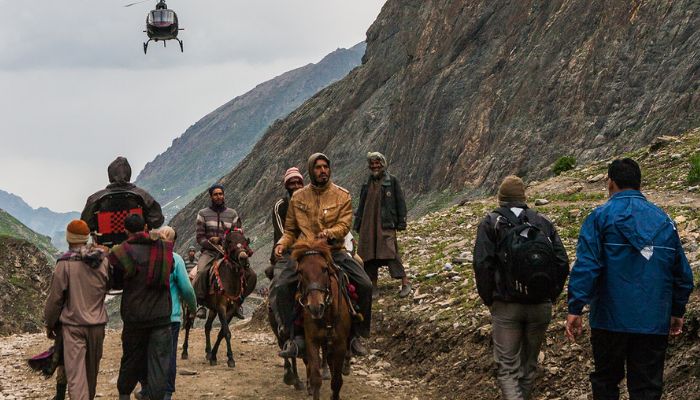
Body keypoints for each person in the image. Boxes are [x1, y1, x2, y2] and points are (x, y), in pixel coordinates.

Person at [566, 158, 694, 399]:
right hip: (653, 320)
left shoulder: (599, 218)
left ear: (610, 183)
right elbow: (682, 274)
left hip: (609, 320)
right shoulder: (664, 221)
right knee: (646, 387)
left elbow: (588, 265)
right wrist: (677, 310)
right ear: (639, 184)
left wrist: (575, 307)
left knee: (606, 381)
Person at [473, 175, 570, 400]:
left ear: (500, 198)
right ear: (524, 197)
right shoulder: (542, 221)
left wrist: (490, 299)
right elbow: (562, 262)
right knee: (529, 365)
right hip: (540, 306)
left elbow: (482, 263)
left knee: (507, 368)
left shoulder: (491, 222)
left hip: (506, 306)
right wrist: (551, 295)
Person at [274, 153, 373, 357]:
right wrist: (282, 243)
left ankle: (357, 334)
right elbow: (291, 229)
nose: (323, 171)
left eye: (325, 167)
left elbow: (345, 224)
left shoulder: (342, 195)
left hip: (333, 252)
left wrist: (330, 233)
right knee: (282, 286)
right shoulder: (298, 197)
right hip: (306, 253)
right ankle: (290, 335)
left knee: (365, 284)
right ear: (311, 170)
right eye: (318, 167)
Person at [108, 214, 174, 400]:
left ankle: (124, 395)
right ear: (146, 227)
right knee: (160, 363)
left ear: (125, 230)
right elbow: (172, 268)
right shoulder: (162, 248)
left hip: (134, 317)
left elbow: (116, 282)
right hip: (161, 316)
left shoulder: (121, 252)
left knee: (131, 359)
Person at [44, 220, 110, 400]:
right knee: (91, 376)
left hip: (73, 328)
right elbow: (107, 287)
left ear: (68, 238)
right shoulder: (102, 261)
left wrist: (50, 324)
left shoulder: (64, 264)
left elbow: (55, 300)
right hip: (97, 327)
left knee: (76, 378)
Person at [137, 226, 196, 400]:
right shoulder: (176, 258)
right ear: (174, 242)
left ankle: (146, 389)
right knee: (168, 355)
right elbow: (186, 288)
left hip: (147, 315)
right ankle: (166, 393)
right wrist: (193, 307)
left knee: (147, 352)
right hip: (170, 316)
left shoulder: (145, 255)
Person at [190, 184, 255, 319]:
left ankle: (238, 302)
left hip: (230, 253)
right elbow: (200, 237)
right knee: (201, 272)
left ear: (223, 195)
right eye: (215, 194)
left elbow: (238, 233)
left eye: (221, 194)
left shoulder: (232, 214)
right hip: (209, 252)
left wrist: (225, 242)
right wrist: (211, 243)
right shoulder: (203, 214)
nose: (219, 196)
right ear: (211, 197)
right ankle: (201, 304)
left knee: (251, 274)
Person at [353, 152, 411, 298]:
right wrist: (358, 223)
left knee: (391, 252)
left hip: (385, 224)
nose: (375, 166)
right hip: (368, 225)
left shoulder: (391, 181)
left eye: (377, 163)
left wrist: (401, 221)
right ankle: (373, 286)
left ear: (383, 164)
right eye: (372, 164)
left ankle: (405, 282)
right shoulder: (366, 184)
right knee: (369, 255)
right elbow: (361, 205)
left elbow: (400, 202)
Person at [81, 157, 164, 247]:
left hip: (106, 248)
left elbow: (85, 226)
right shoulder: (142, 196)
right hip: (138, 246)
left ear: (110, 175)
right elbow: (157, 221)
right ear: (129, 174)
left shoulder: (95, 199)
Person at [268, 167, 305, 348]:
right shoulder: (280, 206)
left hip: (310, 249)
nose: (296, 185)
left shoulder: (309, 201)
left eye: (298, 182)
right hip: (285, 252)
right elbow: (283, 233)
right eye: (292, 182)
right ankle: (283, 324)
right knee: (279, 285)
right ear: (286, 185)